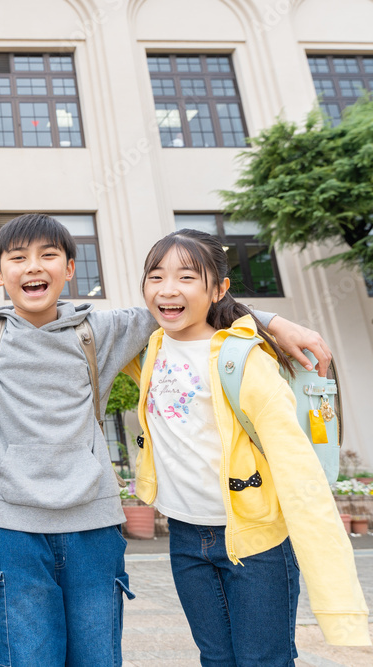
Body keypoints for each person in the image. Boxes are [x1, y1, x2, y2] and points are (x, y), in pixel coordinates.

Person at [0, 214, 332, 666]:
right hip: (11, 533)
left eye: (48, 255)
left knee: (98, 659)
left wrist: (273, 322)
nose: (33, 267)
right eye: (18, 258)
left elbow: (187, 306)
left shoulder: (103, 329)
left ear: (70, 270)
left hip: (94, 532)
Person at [131, 229, 370, 663]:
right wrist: (274, 318)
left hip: (257, 541)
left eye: (187, 277)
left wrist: (337, 595)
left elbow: (296, 467)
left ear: (220, 288)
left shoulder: (244, 358)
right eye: (155, 277)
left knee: (264, 660)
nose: (168, 289)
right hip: (186, 536)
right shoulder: (149, 349)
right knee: (216, 658)